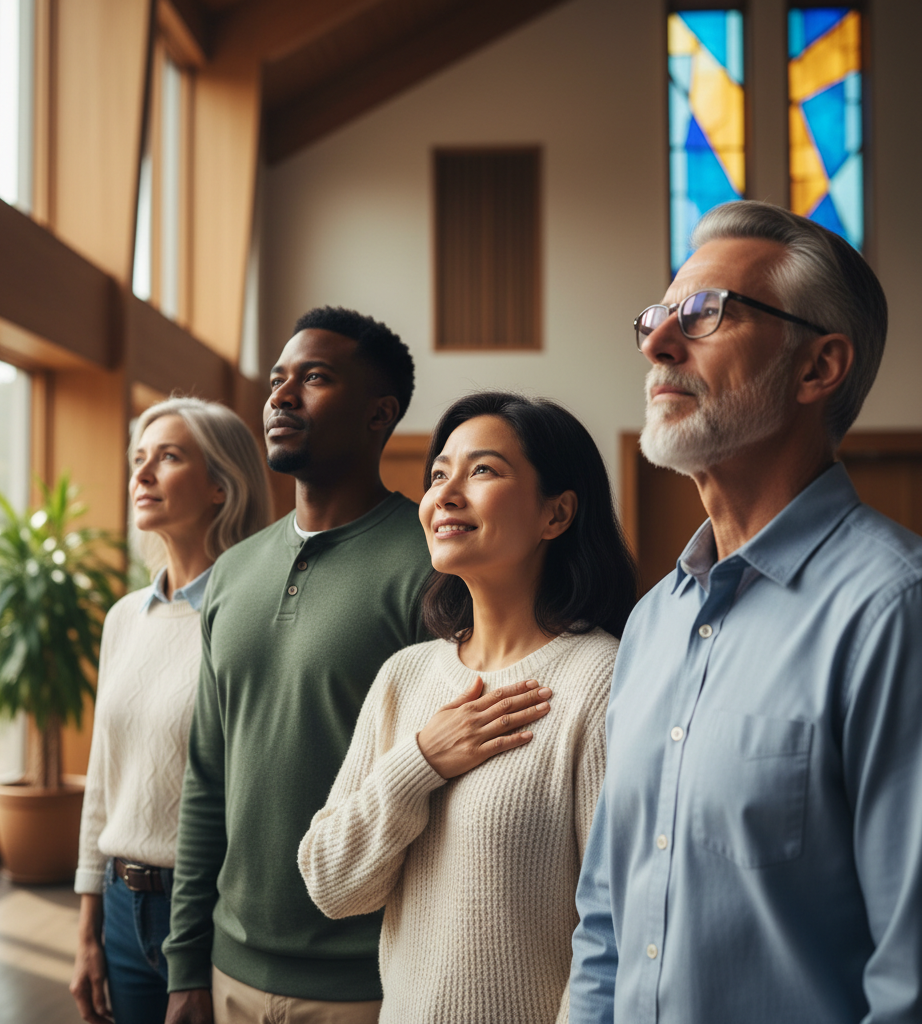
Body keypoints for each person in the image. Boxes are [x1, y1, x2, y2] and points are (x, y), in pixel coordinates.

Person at [570, 200, 922, 1024]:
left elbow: (911, 982)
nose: (658, 343)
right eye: (656, 317)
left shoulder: (893, 613)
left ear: (816, 368)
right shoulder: (653, 621)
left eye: (704, 314)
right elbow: (606, 927)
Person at [299, 392, 637, 1024]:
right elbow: (332, 886)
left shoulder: (601, 679)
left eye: (482, 470)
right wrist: (418, 762)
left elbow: (619, 923)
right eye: (437, 475)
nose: (445, 495)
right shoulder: (406, 676)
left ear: (556, 514)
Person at [163, 308, 434, 1024]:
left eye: (314, 379)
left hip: (370, 978)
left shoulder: (433, 567)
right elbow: (207, 775)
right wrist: (185, 963)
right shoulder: (233, 571)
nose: (281, 396)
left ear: (380, 414)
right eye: (278, 379)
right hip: (230, 968)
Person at [70, 397, 271, 1024]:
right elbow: (103, 779)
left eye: (169, 457)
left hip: (213, 910)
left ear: (220, 484)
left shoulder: (256, 613)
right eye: (138, 459)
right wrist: (87, 932)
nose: (143, 474)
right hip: (119, 910)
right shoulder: (125, 617)